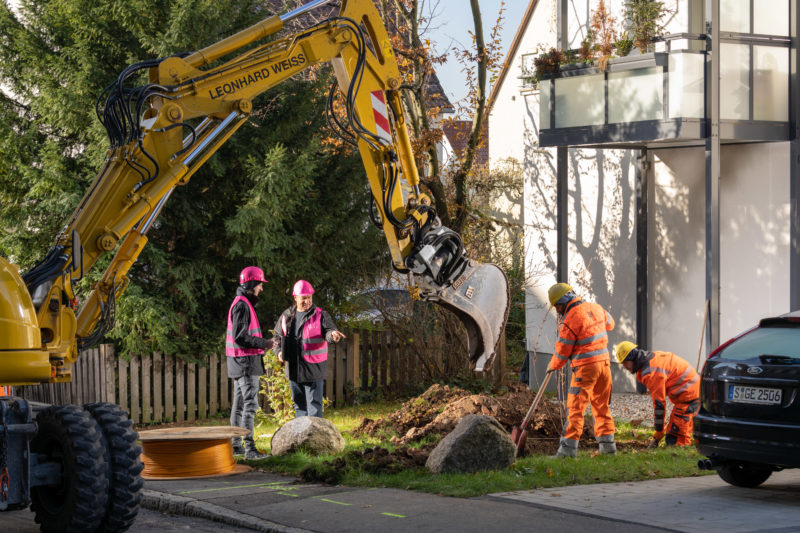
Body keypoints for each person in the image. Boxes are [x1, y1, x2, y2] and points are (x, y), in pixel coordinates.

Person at [546, 282, 617, 457]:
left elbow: (563, 350)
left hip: (586, 369)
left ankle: (567, 452)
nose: (557, 311)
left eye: (557, 306)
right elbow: (611, 324)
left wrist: (552, 365)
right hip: (605, 366)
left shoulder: (570, 319)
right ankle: (608, 449)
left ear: (563, 302)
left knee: (576, 408)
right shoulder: (596, 307)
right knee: (602, 406)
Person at [274, 279, 345, 418]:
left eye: (309, 298)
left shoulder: (320, 315)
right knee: (299, 407)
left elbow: (329, 330)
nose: (307, 301)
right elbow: (276, 337)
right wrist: (278, 352)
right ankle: (302, 437)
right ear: (295, 297)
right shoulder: (286, 316)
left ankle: (315, 438)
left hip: (313, 370)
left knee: (314, 408)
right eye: (303, 298)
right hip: (294, 370)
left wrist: (333, 335)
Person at [226, 266, 275, 460]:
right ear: (252, 284)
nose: (261, 289)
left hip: (238, 361)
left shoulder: (241, 302)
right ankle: (250, 450)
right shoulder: (242, 305)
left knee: (238, 406)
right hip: (245, 362)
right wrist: (266, 343)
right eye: (260, 284)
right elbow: (240, 336)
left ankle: (236, 446)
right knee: (250, 406)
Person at [615, 341, 700, 446]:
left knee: (675, 439)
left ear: (631, 358)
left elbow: (659, 404)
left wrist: (659, 430)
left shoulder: (651, 373)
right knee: (673, 430)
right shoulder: (651, 359)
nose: (624, 367)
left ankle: (681, 454)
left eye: (624, 363)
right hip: (690, 394)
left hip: (690, 397)